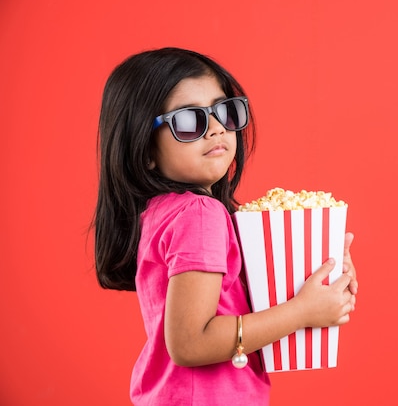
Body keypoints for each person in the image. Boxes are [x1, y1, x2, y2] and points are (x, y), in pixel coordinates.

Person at [94, 47, 358, 406]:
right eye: (189, 120)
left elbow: (226, 308)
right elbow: (190, 342)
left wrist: (319, 282)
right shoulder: (199, 213)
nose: (216, 127)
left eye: (225, 111)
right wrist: (301, 312)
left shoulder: (164, 211)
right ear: (145, 150)